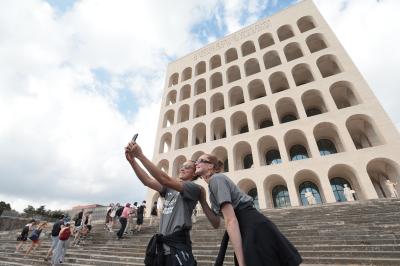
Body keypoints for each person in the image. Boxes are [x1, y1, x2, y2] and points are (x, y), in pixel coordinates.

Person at [195, 154, 302, 266]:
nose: (196, 163)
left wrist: (242, 263)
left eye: (200, 160)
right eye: (195, 161)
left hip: (252, 226)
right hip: (248, 226)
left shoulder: (217, 179)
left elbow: (230, 220)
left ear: (210, 166)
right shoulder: (214, 183)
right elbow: (216, 222)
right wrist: (202, 200)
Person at [125, 141, 200, 266]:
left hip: (177, 248)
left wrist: (141, 156)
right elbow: (147, 181)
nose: (182, 168)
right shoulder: (170, 189)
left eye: (187, 167)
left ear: (194, 173)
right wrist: (132, 161)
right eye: (182, 166)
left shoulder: (193, 188)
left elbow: (163, 178)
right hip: (162, 248)